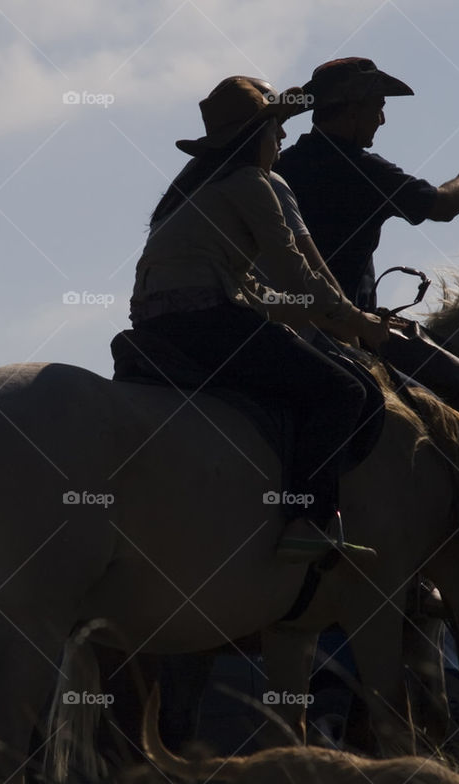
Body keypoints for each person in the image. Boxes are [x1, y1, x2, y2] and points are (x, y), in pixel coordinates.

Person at [129, 76, 388, 563]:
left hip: (160, 324)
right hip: (207, 321)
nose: (283, 138)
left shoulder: (193, 190)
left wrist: (339, 317)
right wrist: (356, 322)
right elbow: (295, 272)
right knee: (344, 391)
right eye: (275, 130)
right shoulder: (250, 184)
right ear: (257, 137)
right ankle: (307, 518)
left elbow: (256, 293)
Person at [276, 57, 459, 462]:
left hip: (279, 321)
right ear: (354, 107)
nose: (382, 120)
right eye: (377, 108)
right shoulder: (361, 168)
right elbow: (443, 205)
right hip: (345, 329)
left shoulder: (282, 165)